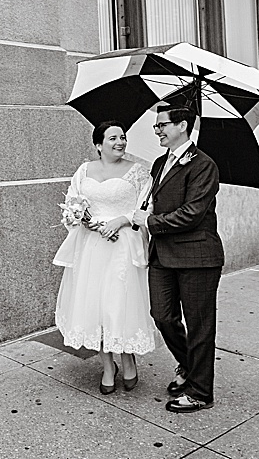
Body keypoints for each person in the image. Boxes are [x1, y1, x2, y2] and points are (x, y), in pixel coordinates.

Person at [53, 121, 158, 395]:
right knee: (95, 305)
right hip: (91, 248)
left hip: (122, 246)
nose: (120, 142)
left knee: (118, 303)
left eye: (123, 137)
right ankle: (108, 366)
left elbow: (145, 208)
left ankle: (127, 358)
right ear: (99, 145)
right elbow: (73, 204)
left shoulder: (138, 173)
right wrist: (85, 221)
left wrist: (121, 221)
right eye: (113, 138)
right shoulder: (84, 170)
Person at [131, 104, 224, 413]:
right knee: (162, 316)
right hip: (162, 255)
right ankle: (189, 366)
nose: (157, 130)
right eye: (156, 126)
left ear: (182, 125)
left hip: (197, 256)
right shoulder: (159, 163)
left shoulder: (204, 164)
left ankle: (200, 392)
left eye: (162, 125)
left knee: (199, 326)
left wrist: (150, 222)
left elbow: (192, 213)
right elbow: (154, 202)